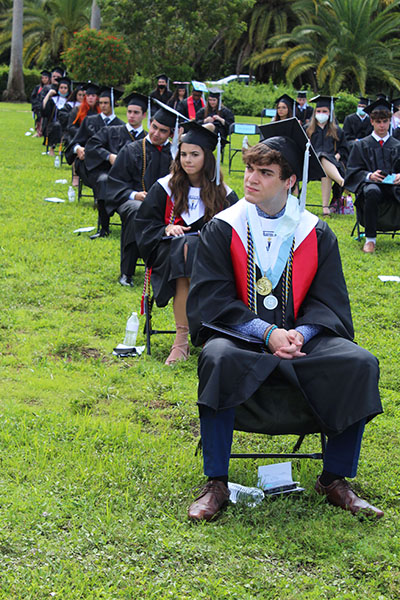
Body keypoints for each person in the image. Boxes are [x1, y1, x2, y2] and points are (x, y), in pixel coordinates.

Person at [186, 117, 383, 522]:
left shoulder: (315, 232)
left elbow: (329, 300)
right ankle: (216, 482)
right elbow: (212, 299)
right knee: (218, 358)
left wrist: (298, 334)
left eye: (265, 173)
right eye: (249, 170)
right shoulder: (224, 228)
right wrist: (267, 332)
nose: (251, 180)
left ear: (290, 180)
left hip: (301, 338)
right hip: (240, 335)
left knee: (359, 362)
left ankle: (334, 478)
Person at [135, 122, 239, 364]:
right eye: (183, 154)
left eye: (194, 154)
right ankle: (187, 335)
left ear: (207, 158)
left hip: (211, 261)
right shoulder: (165, 187)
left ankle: (185, 338)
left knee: (190, 251)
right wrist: (165, 228)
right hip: (168, 257)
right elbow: (144, 224)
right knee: (184, 251)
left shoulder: (223, 193)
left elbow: (237, 232)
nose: (187, 160)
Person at [106, 104, 178, 286]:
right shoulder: (131, 150)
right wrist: (134, 195)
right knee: (137, 212)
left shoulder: (177, 155)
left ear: (171, 134)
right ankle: (127, 272)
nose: (156, 133)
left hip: (168, 205)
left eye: (163, 131)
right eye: (154, 127)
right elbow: (114, 183)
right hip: (132, 201)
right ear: (149, 123)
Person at [84, 92, 148, 239]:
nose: (132, 115)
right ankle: (103, 227)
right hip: (111, 175)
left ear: (144, 115)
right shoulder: (112, 131)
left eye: (136, 113)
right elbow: (92, 146)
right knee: (103, 181)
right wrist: (109, 156)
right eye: (129, 112)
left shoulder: (147, 138)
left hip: (137, 179)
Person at [344, 98, 400, 253]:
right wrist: (369, 176)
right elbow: (352, 170)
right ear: (372, 122)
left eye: (385, 121)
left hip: (395, 187)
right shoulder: (361, 145)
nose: (382, 125)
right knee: (372, 191)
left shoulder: (397, 145)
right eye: (378, 121)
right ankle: (370, 239)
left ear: (390, 121)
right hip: (372, 186)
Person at [65, 86, 124, 189]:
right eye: (100, 103)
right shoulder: (89, 121)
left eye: (106, 103)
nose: (103, 106)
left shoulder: (121, 126)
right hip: (90, 165)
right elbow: (75, 142)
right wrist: (77, 148)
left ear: (113, 104)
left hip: (111, 167)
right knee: (100, 178)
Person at [307, 95, 349, 216]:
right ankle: (342, 182)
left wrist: (338, 155)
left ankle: (325, 208)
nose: (321, 114)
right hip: (312, 164)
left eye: (324, 111)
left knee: (325, 168)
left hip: (332, 164)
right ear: (315, 113)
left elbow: (344, 149)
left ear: (330, 113)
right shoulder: (308, 130)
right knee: (321, 156)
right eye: (318, 111)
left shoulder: (337, 130)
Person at [41, 76, 72, 156]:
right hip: (54, 125)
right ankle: (52, 148)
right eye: (61, 87)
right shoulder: (54, 100)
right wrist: (48, 95)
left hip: (67, 125)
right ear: (58, 88)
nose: (63, 90)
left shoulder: (71, 102)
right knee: (56, 126)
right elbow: (44, 110)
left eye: (65, 88)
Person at [30, 69, 50, 137]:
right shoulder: (38, 87)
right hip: (38, 107)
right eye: (42, 78)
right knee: (38, 120)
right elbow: (33, 97)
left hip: (45, 107)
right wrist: (35, 106)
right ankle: (38, 132)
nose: (44, 79)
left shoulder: (50, 88)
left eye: (46, 78)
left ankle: (42, 132)